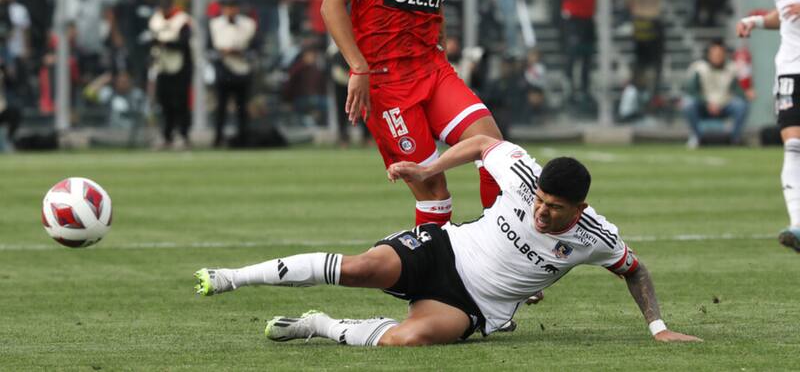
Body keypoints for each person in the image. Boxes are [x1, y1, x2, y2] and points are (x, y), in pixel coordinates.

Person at [193, 134, 702, 347]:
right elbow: (482, 143)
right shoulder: (523, 174)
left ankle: (318, 325)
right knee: (359, 268)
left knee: (408, 340)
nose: (542, 212)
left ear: (580, 209)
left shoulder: (596, 237)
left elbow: (634, 269)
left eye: (555, 209)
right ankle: (231, 277)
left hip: (474, 306)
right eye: (540, 201)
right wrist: (428, 167)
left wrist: (657, 327)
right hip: (445, 249)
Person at [320, 0, 503, 225]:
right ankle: (432, 262)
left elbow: (434, 7)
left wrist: (443, 47)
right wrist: (358, 67)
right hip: (387, 82)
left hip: (432, 70)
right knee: (435, 193)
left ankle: (502, 250)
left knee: (497, 153)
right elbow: (331, 5)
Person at [737, 0, 800, 252]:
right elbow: (785, 15)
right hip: (790, 69)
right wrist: (757, 21)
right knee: (793, 144)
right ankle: (797, 225)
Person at [625, 0, 697, 104]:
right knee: (656, 61)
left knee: (640, 61)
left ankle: (636, 94)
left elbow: (629, 3)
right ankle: (653, 94)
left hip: (638, 22)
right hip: (653, 21)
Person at [682, 39, 751, 148]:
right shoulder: (699, 68)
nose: (717, 57)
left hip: (725, 105)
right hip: (704, 105)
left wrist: (746, 92)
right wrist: (707, 103)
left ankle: (735, 139)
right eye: (714, 54)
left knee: (741, 105)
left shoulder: (732, 68)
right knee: (688, 104)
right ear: (709, 54)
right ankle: (697, 137)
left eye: (720, 54)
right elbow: (692, 91)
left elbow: (737, 89)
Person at [209, 0, 256, 147]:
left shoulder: (248, 24)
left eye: (233, 7)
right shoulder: (215, 24)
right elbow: (210, 49)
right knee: (221, 106)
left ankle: (243, 138)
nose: (230, 11)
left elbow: (255, 48)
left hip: (242, 68)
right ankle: (218, 139)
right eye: (227, 7)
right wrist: (222, 53)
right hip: (223, 68)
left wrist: (239, 52)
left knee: (242, 107)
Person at [149, 0, 192, 150]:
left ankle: (183, 135)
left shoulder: (182, 20)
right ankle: (166, 135)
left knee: (181, 102)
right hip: (162, 65)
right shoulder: (156, 19)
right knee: (165, 102)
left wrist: (166, 43)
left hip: (181, 66)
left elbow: (184, 43)